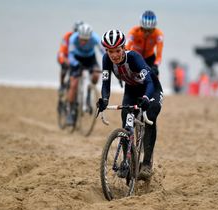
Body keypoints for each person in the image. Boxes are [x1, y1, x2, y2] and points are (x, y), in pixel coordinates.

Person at [98, 29, 163, 180]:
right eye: (110, 51)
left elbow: (148, 82)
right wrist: (104, 100)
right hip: (131, 90)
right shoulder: (106, 60)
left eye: (117, 50)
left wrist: (146, 98)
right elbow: (105, 83)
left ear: (124, 48)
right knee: (126, 118)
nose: (114, 55)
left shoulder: (134, 58)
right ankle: (126, 162)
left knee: (150, 117)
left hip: (151, 89)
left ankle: (146, 164)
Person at [66, 23, 105, 125]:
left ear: (90, 37)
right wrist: (76, 64)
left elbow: (103, 51)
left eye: (86, 40)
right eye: (81, 39)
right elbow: (70, 55)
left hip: (90, 59)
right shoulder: (73, 39)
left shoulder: (95, 38)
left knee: (96, 75)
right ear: (78, 35)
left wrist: (109, 61)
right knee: (73, 84)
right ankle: (70, 111)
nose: (83, 42)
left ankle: (88, 94)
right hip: (76, 58)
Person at [126, 10, 164, 77]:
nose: (147, 33)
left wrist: (156, 65)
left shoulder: (158, 35)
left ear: (154, 28)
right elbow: (126, 48)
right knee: (132, 77)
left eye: (150, 30)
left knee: (155, 77)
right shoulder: (134, 31)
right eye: (145, 30)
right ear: (141, 27)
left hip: (150, 58)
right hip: (135, 56)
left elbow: (159, 55)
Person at [57, 20, 83, 94]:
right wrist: (65, 61)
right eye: (76, 31)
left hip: (75, 57)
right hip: (65, 55)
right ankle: (62, 85)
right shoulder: (67, 36)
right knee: (65, 67)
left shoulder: (84, 39)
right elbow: (62, 51)